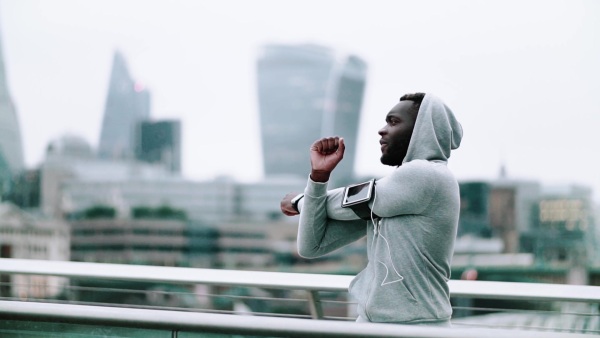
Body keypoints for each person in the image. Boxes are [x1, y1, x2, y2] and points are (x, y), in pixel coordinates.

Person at [280, 92, 463, 325]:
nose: (382, 130)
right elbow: (311, 246)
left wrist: (300, 201)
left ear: (421, 131)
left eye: (394, 121)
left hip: (418, 328)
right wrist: (318, 177)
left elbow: (344, 204)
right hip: (370, 325)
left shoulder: (427, 175)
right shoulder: (392, 196)